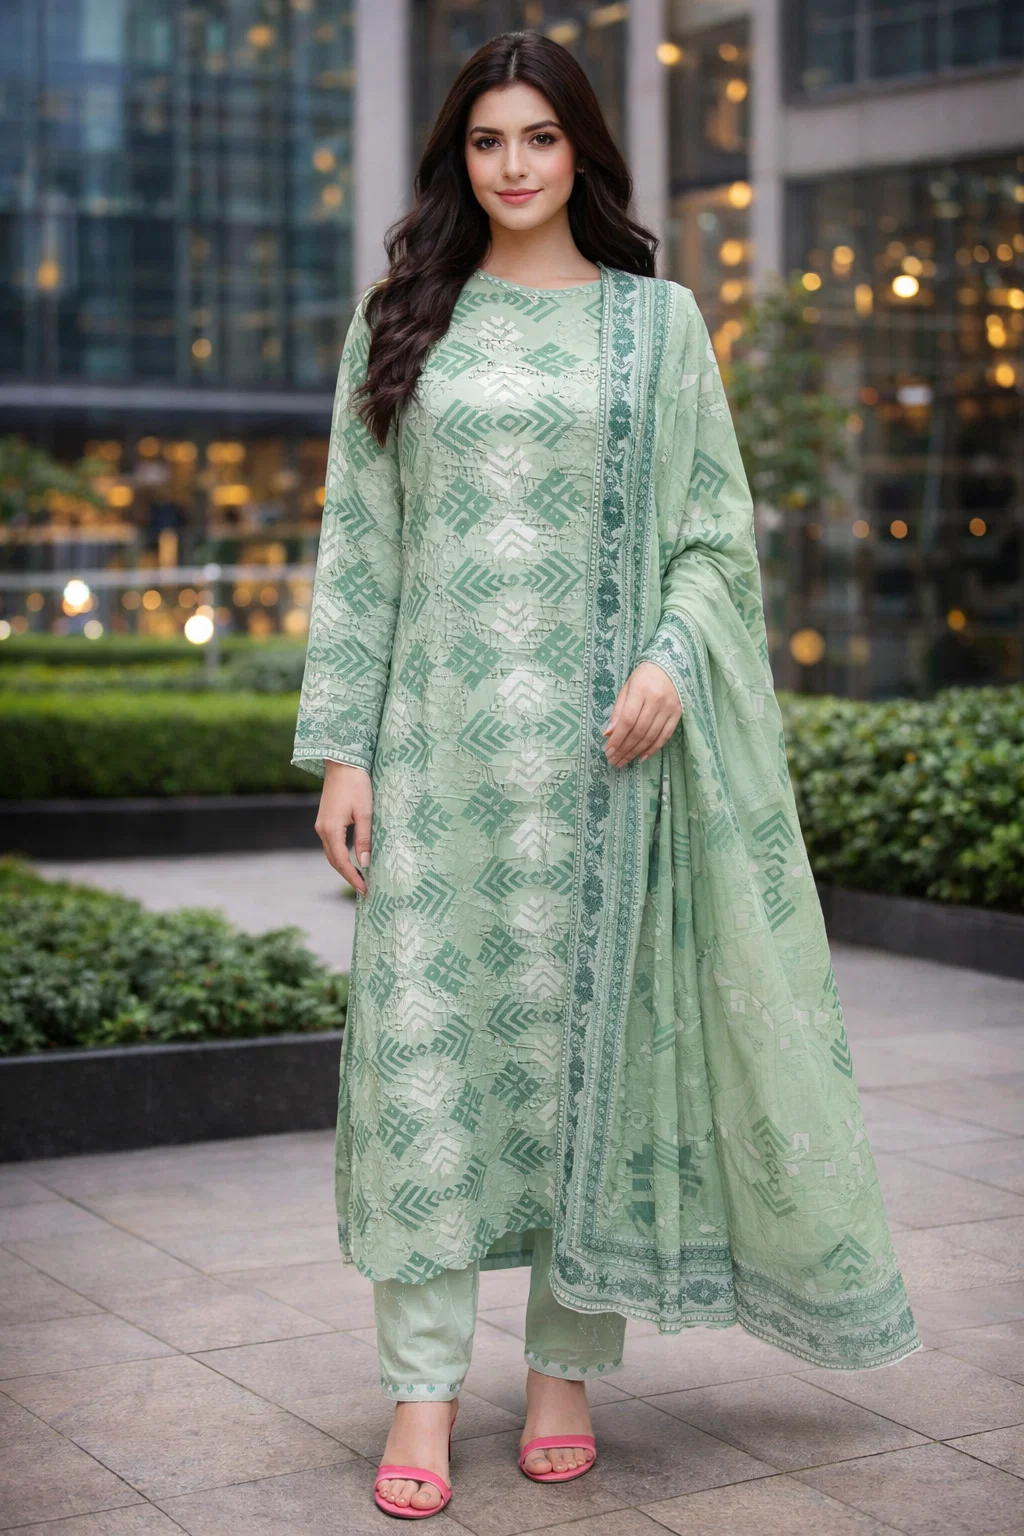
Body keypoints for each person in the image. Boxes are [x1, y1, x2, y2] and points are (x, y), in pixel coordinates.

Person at [292, 30, 921, 1521]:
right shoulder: (403, 321)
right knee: (431, 1067)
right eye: (486, 141)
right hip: (442, 764)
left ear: (582, 149)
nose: (512, 166)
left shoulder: (658, 324)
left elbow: (712, 533)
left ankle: (564, 1371)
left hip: (604, 771)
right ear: (457, 158)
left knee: (592, 1063)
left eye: (539, 138)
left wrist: (669, 658)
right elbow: (360, 550)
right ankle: (423, 1389)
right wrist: (343, 751)